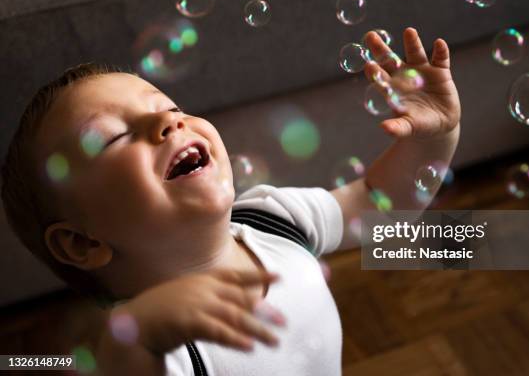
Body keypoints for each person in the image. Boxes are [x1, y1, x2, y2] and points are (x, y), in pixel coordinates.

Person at [0, 28, 461, 375]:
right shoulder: (160, 344)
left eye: (169, 107)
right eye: (114, 136)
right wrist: (137, 335)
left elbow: (374, 201)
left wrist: (434, 139)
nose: (167, 123)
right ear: (82, 243)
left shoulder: (274, 220)